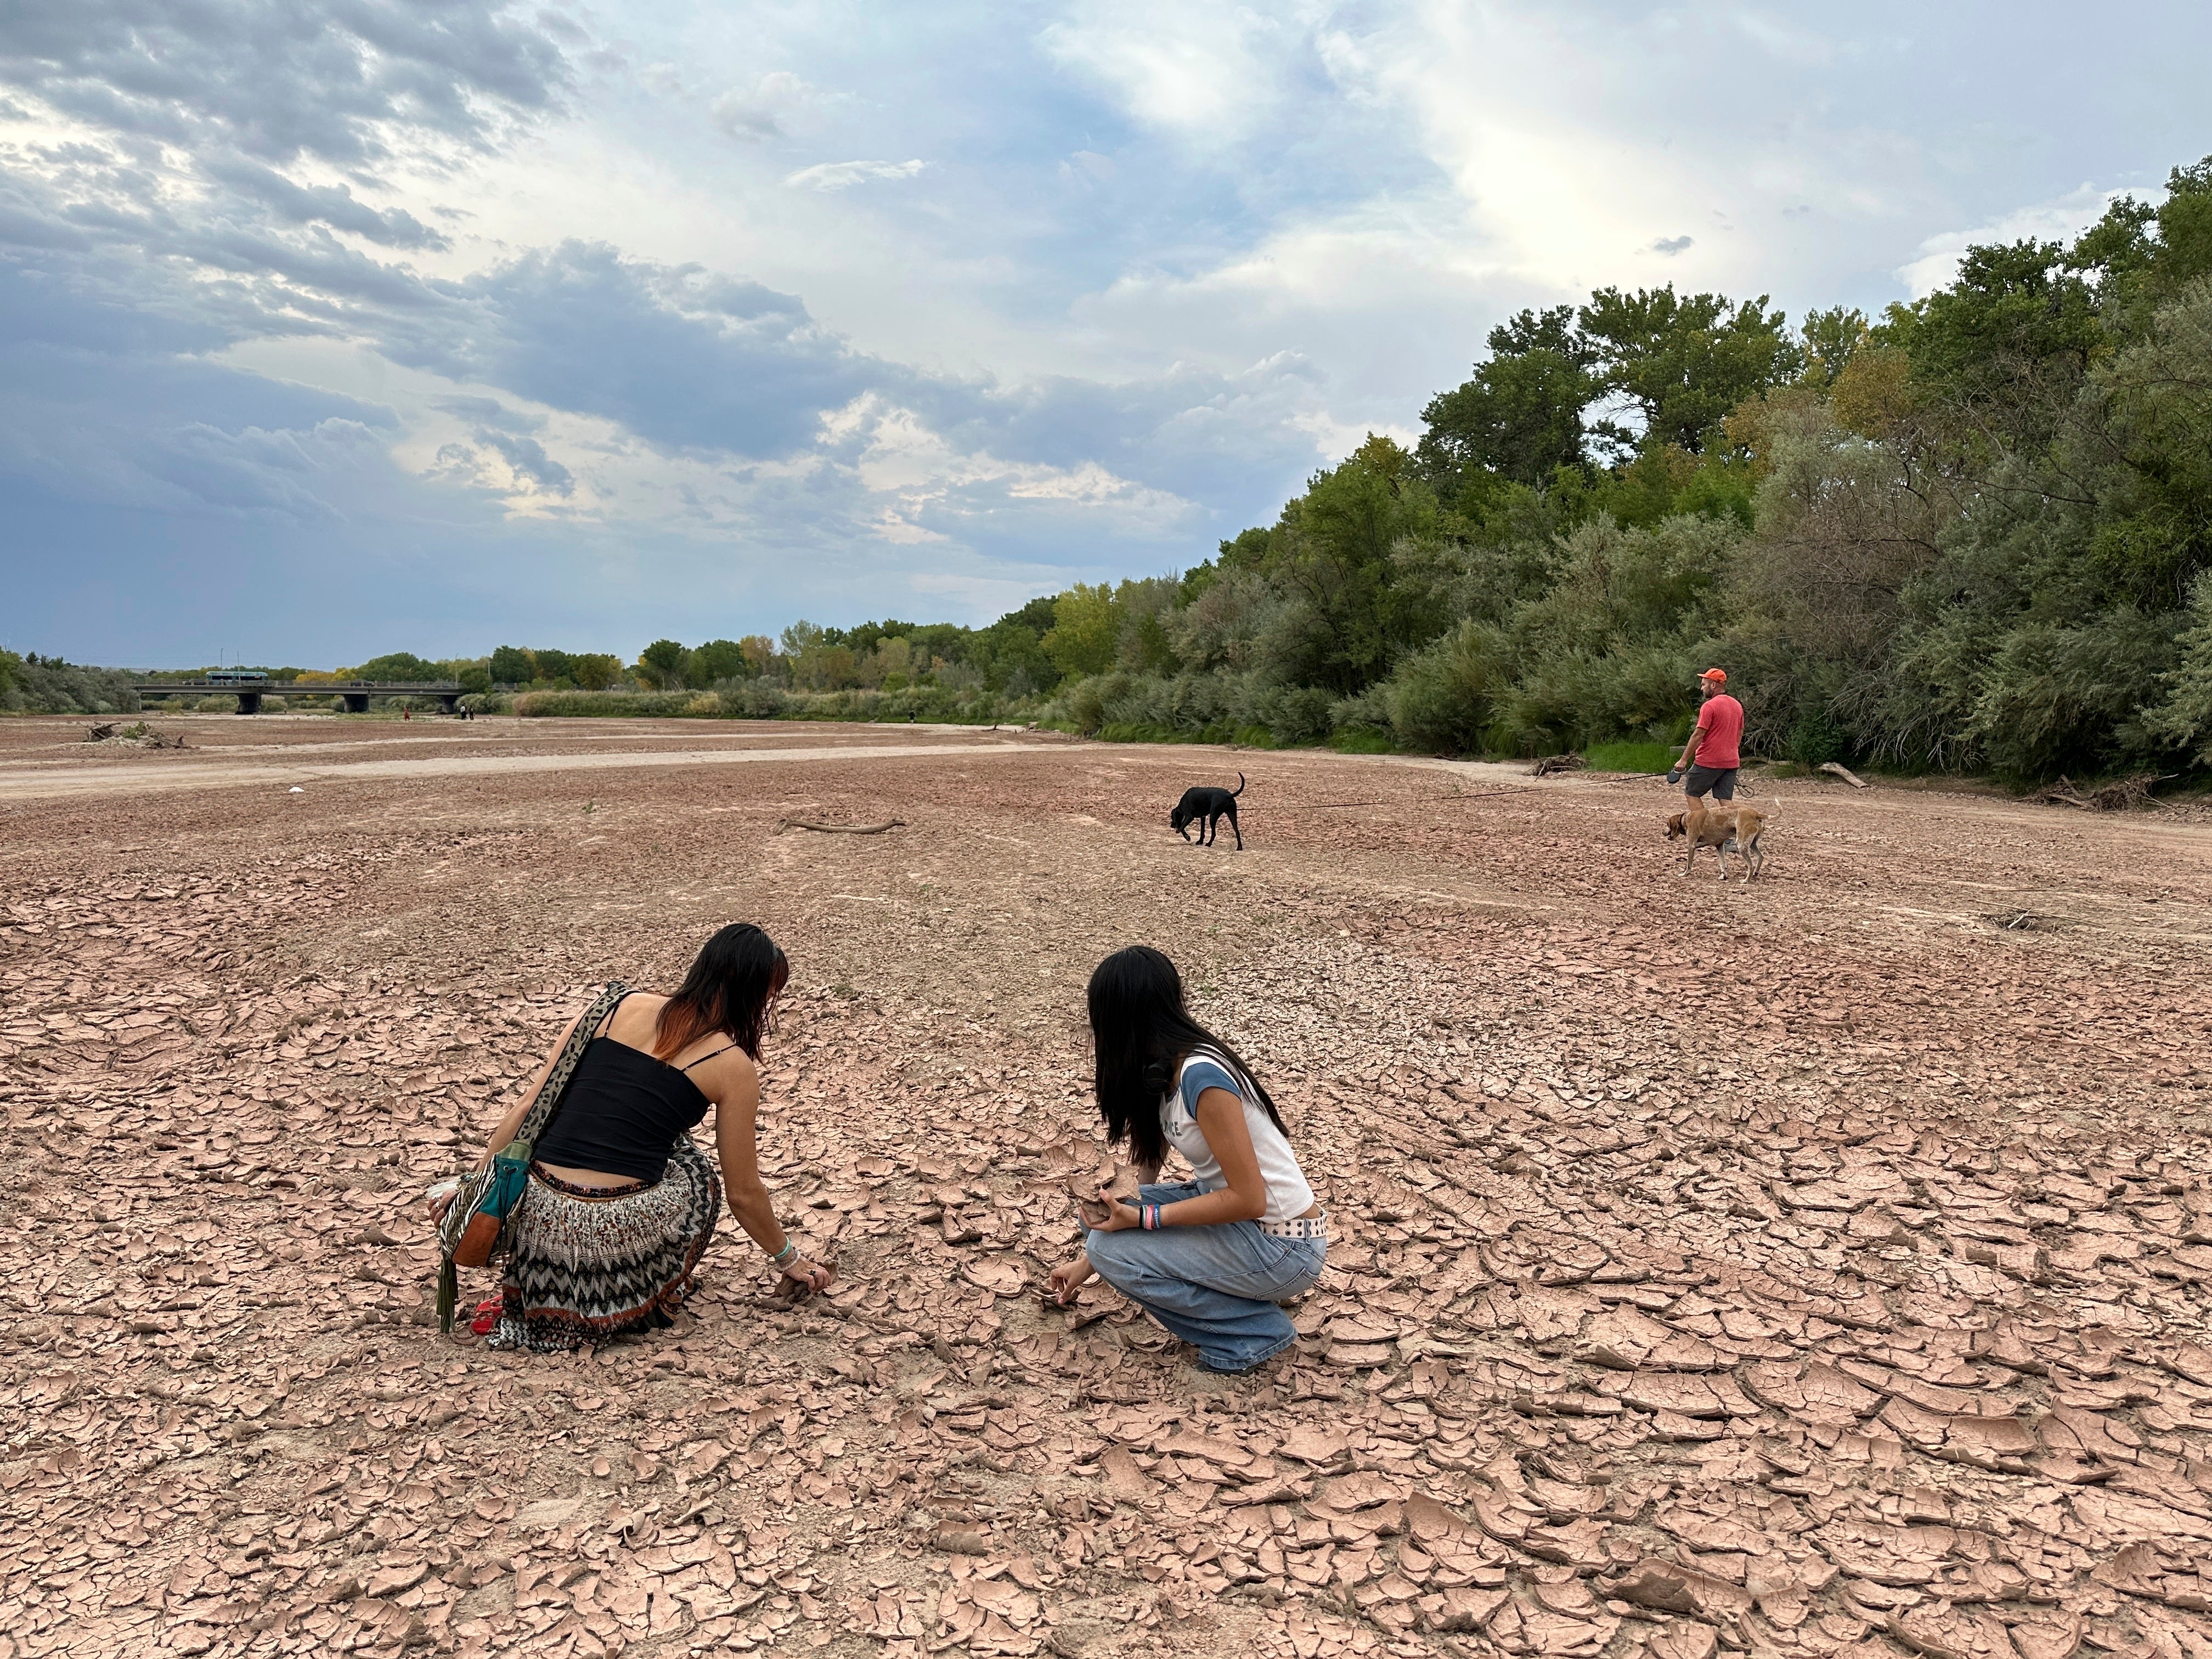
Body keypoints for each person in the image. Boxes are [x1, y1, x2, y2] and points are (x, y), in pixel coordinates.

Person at [430, 923, 832, 1351]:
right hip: (610, 1239)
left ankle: (545, 1302)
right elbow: (744, 1193)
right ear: (751, 993)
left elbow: (530, 1107)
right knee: (696, 1171)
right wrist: (789, 1258)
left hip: (540, 1222)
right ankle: (637, 1294)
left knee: (659, 1143)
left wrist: (474, 1187)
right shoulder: (731, 1065)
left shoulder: (610, 1006)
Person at [1048, 946, 1327, 1374]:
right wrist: (1090, 1259)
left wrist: (1138, 1225)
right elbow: (1145, 1165)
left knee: (1112, 1247)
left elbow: (1250, 1199)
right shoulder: (1162, 1067)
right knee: (1097, 1220)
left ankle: (1253, 1331)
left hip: (1284, 1245)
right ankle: (1239, 1295)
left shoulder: (1202, 1077)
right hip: (1246, 1229)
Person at [1668, 667, 1743, 809]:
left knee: (1692, 793)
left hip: (1708, 761)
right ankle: (1733, 828)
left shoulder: (1709, 706)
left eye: (1704, 685)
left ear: (1713, 685)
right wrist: (1732, 751)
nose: (1701, 688)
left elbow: (1698, 735)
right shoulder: (1737, 705)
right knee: (1725, 799)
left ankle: (1702, 829)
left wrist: (1683, 761)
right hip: (1731, 762)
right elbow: (1740, 732)